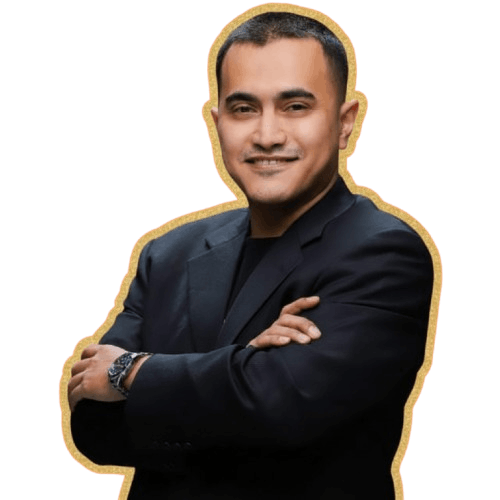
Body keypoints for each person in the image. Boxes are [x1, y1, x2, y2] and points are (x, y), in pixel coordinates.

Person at [67, 9, 436, 500]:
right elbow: (92, 427)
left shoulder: (381, 251)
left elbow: (282, 404)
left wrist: (129, 371)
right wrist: (242, 372)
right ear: (216, 122)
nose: (267, 135)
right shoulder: (167, 253)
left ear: (345, 122)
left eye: (295, 106)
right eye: (243, 108)